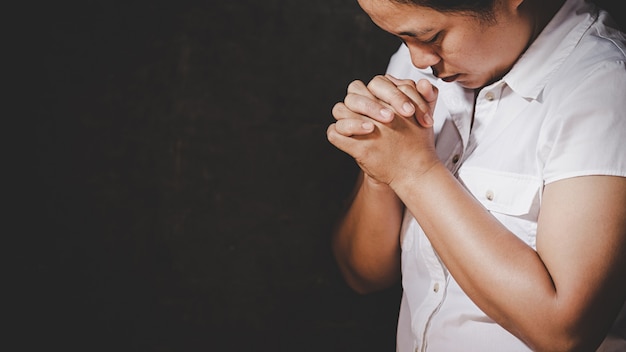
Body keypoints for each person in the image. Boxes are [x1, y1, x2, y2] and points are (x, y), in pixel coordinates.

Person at [326, 0, 626, 350]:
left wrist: (414, 172)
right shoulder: (416, 64)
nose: (419, 59)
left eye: (432, 36)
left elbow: (565, 334)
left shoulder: (604, 88)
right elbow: (362, 275)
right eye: (403, 38)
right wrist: (380, 174)